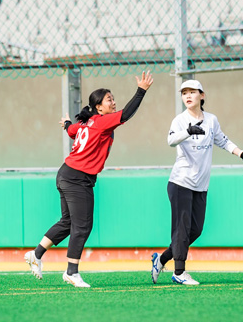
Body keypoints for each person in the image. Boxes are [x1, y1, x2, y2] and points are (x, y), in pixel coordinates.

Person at [25, 71, 154, 288]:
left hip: (66, 173)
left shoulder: (87, 123)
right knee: (83, 225)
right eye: (109, 100)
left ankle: (36, 254)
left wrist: (66, 123)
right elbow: (126, 114)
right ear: (98, 108)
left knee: (68, 222)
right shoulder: (102, 122)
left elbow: (71, 130)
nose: (113, 102)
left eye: (113, 98)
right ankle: (71, 272)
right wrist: (141, 91)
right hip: (77, 177)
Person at [151, 79, 243, 285]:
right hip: (180, 182)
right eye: (184, 93)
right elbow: (170, 140)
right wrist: (188, 131)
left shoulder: (211, 120)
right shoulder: (179, 120)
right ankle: (179, 273)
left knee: (196, 230)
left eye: (192, 92)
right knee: (181, 229)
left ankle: (161, 259)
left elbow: (223, 141)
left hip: (200, 185)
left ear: (202, 95)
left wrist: (242, 154)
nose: (188, 96)